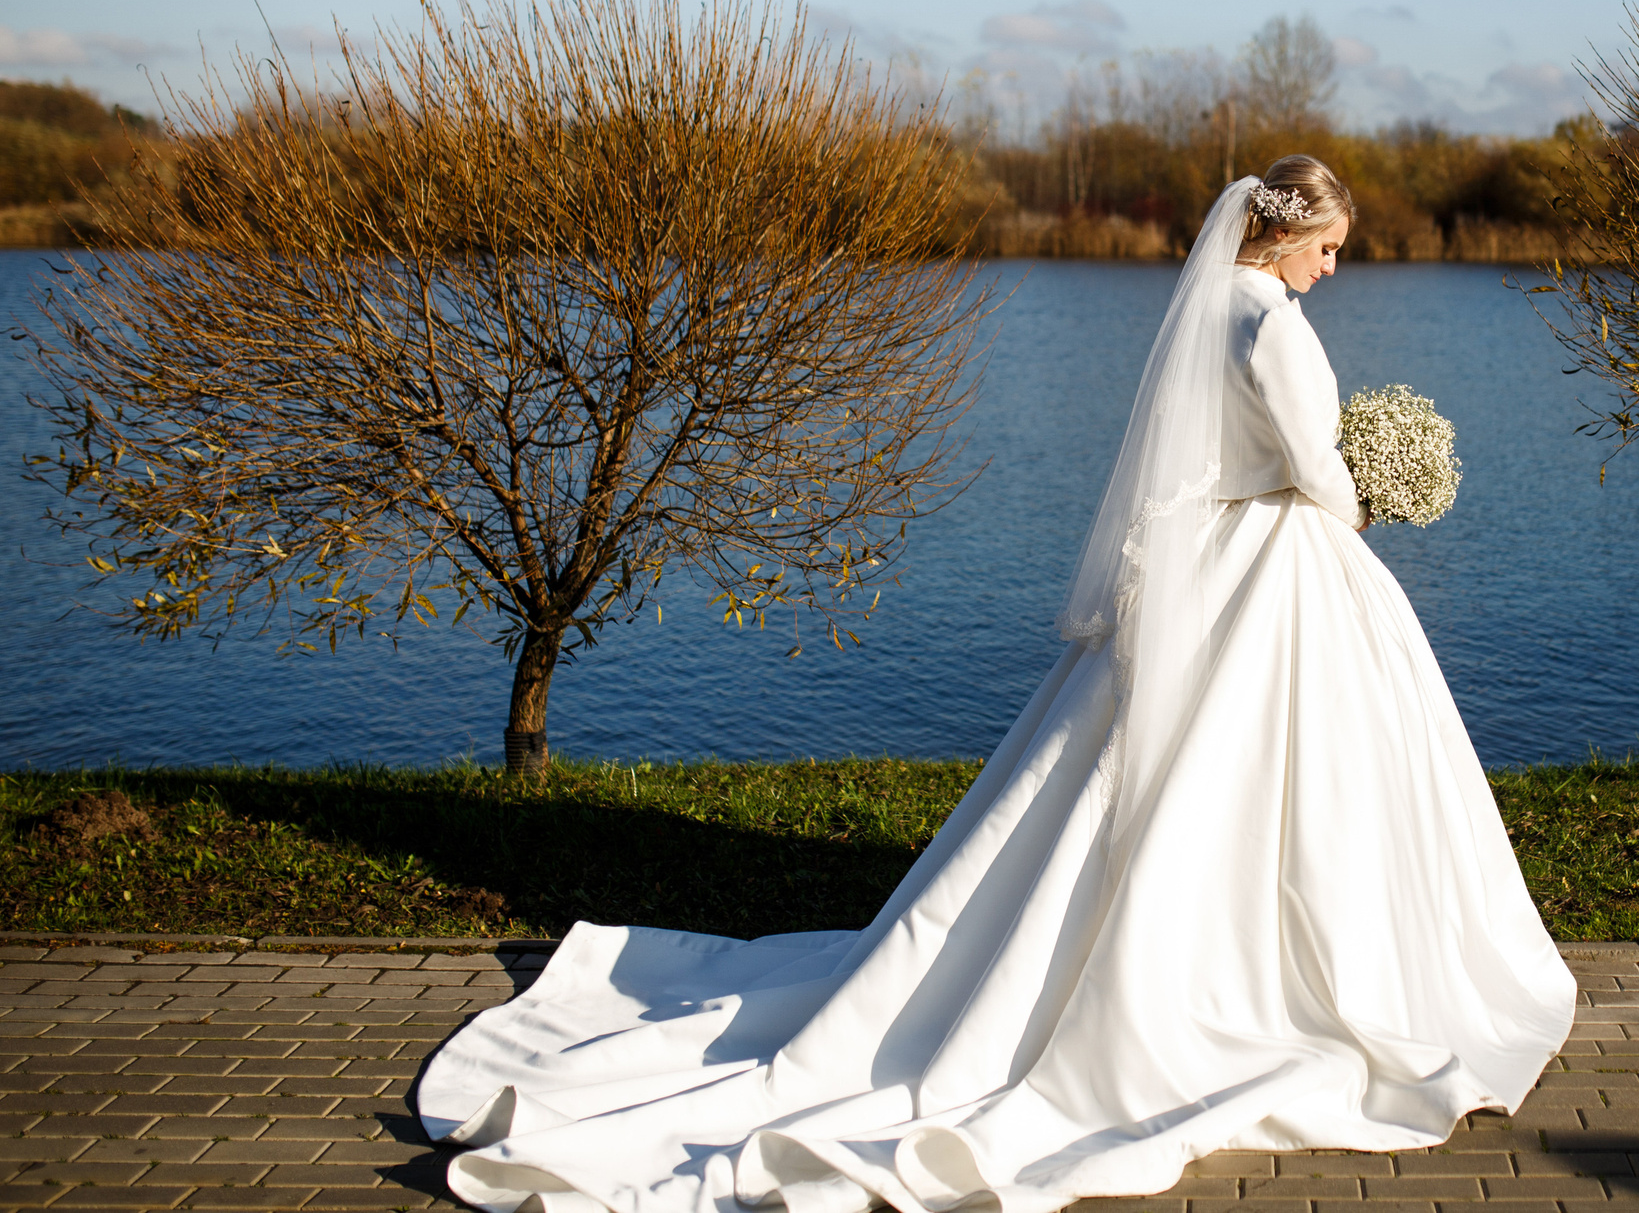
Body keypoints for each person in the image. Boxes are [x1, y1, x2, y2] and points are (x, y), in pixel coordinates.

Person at [419, 156, 1575, 1213]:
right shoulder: (1268, 324)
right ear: (1288, 237)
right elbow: (1317, 477)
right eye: (1330, 246)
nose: (1336, 266)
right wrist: (1377, 492)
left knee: (1150, 773)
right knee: (1286, 778)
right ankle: (1272, 982)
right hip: (1271, 572)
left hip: (1208, 571)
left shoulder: (1211, 309)